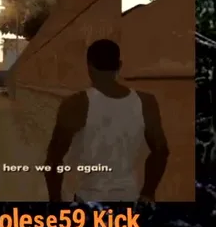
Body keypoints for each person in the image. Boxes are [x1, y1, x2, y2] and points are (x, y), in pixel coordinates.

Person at [43, 39, 170, 203]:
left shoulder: (76, 104)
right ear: (120, 65)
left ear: (89, 66)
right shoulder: (146, 102)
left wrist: (55, 201)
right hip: (129, 198)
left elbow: (53, 160)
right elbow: (161, 151)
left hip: (89, 199)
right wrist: (148, 193)